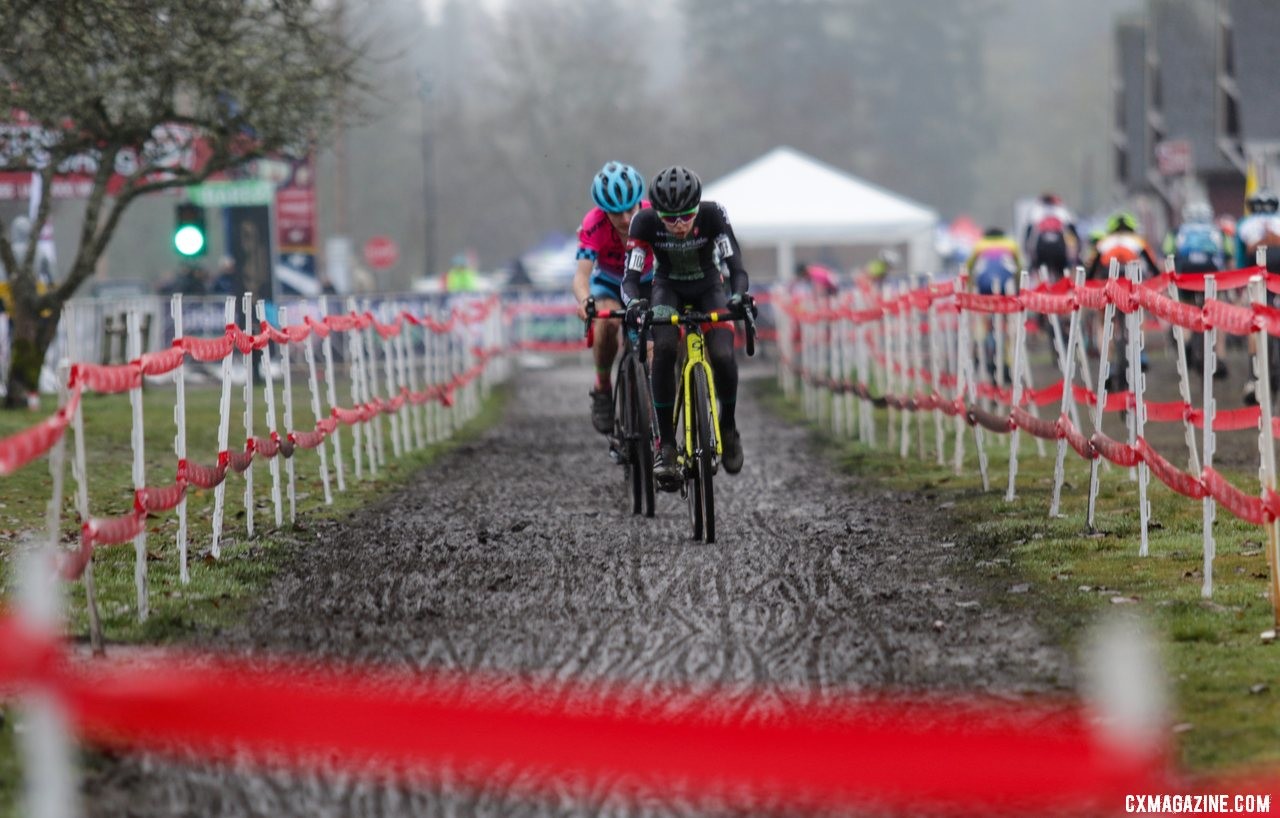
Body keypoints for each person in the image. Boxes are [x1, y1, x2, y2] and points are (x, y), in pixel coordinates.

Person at [622, 165, 750, 491]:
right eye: (669, 218)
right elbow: (631, 278)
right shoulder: (643, 222)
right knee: (663, 349)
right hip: (667, 289)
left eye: (686, 216)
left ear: (698, 208)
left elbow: (736, 266)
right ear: (657, 214)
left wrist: (737, 296)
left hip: (710, 287)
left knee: (722, 354)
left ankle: (729, 425)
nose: (678, 225)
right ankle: (666, 445)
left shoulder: (714, 215)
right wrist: (635, 303)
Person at [571, 161, 653, 434]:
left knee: (668, 331)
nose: (626, 219)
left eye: (631, 209)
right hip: (609, 282)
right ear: (603, 211)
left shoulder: (653, 215)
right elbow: (581, 276)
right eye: (616, 213)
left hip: (647, 280)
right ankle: (603, 387)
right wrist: (585, 301)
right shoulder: (593, 224)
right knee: (606, 324)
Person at [1171, 201, 1227, 376]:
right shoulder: (1217, 231)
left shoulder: (1178, 231)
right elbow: (1227, 256)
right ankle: (1220, 356)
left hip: (1186, 271)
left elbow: (1168, 254)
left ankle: (1186, 344)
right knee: (1217, 311)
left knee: (1185, 307)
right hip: (1211, 270)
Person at [1235, 191, 1280, 404]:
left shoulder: (1244, 223)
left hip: (1256, 267)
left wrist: (1239, 286)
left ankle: (1253, 379)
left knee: (1255, 319)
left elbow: (1240, 259)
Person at [965, 227, 1021, 382]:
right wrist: (1019, 293)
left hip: (983, 287)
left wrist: (970, 293)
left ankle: (979, 351)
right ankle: (1008, 363)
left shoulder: (979, 245)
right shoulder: (1011, 244)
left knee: (983, 321)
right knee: (1009, 323)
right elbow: (1020, 268)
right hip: (1006, 288)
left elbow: (968, 270)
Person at [1023, 193, 1081, 283]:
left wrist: (1029, 256)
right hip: (1059, 245)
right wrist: (1076, 252)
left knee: (1040, 273)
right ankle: (1063, 291)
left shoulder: (1036, 210)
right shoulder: (1062, 210)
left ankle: (1042, 292)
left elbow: (1028, 235)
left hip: (1041, 247)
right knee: (1062, 273)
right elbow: (1072, 231)